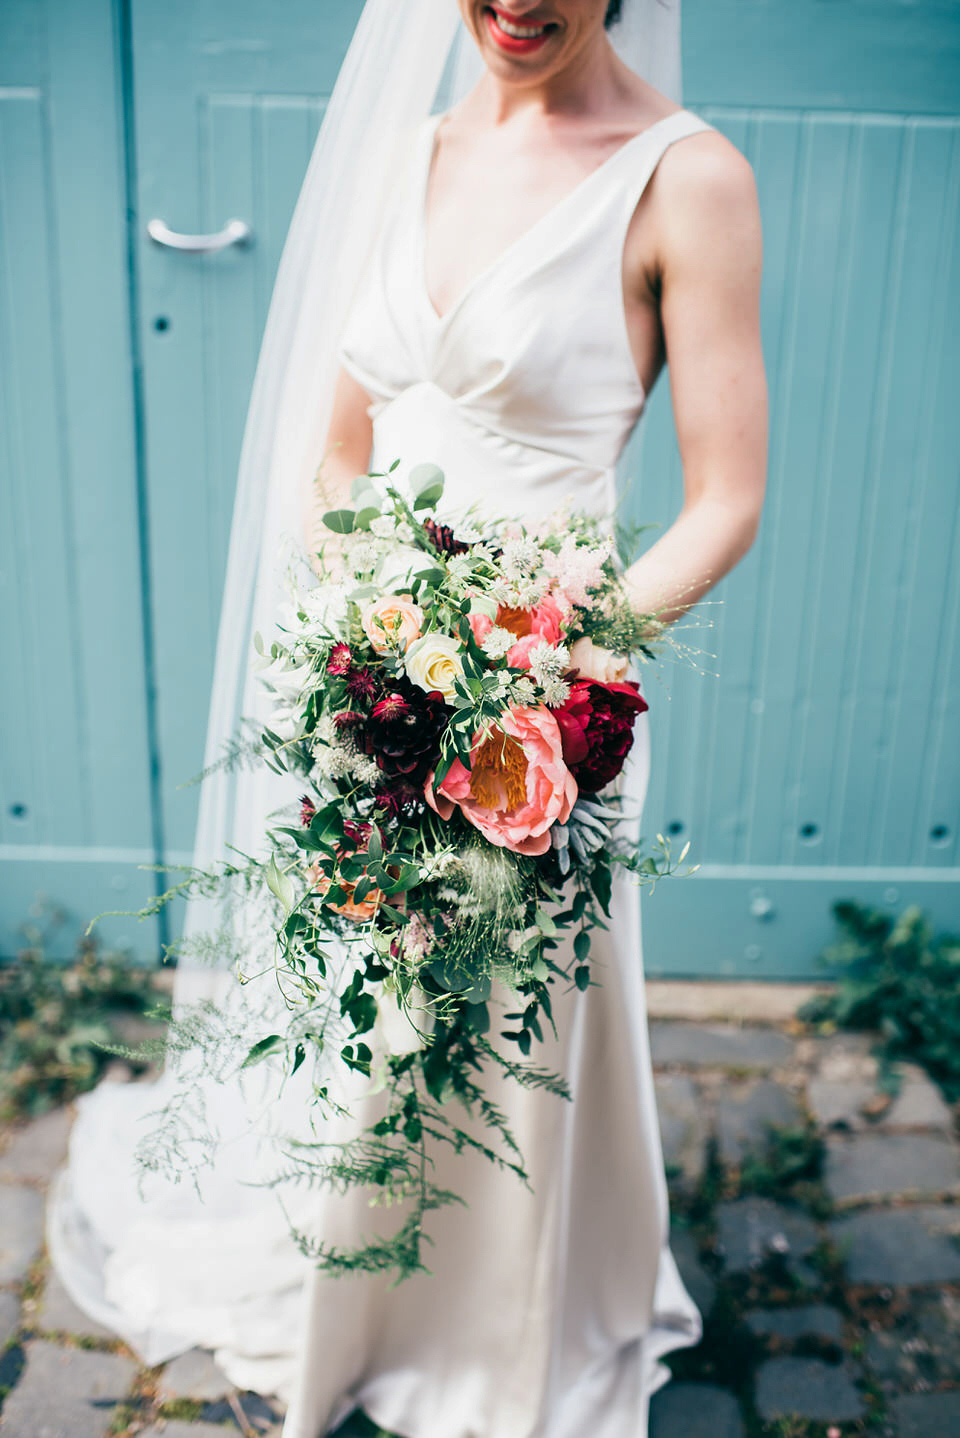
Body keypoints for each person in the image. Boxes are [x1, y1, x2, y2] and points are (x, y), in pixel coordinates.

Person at [47, 3, 766, 1436]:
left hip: (544, 705)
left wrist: (543, 674)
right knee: (363, 1008)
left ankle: (502, 1332)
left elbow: (727, 499)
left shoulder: (687, 178)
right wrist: (368, 632)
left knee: (511, 1013)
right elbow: (334, 451)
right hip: (378, 679)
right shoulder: (402, 151)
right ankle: (349, 1297)